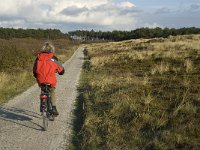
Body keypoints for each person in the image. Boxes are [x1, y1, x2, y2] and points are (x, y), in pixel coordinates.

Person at [33, 42, 65, 116]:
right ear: (52, 49)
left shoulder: (38, 58)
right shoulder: (53, 58)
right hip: (50, 81)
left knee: (43, 90)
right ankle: (53, 107)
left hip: (40, 80)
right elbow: (61, 70)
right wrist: (61, 72)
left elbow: (34, 70)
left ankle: (42, 105)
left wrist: (36, 76)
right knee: (52, 91)